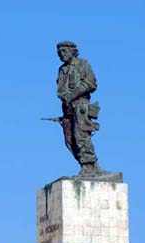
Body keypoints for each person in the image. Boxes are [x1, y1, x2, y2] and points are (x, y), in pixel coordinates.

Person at [56, 41, 100, 176]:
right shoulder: (62, 69)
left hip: (80, 105)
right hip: (67, 109)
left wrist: (72, 95)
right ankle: (87, 165)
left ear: (72, 51)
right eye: (59, 53)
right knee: (69, 140)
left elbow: (91, 83)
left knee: (80, 135)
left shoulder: (83, 64)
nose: (61, 55)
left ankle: (89, 165)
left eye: (64, 51)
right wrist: (65, 98)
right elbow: (60, 90)